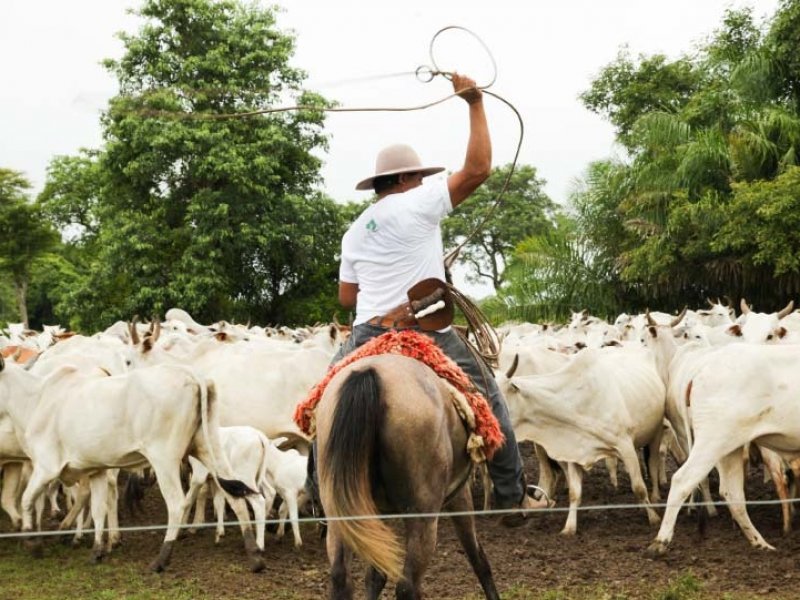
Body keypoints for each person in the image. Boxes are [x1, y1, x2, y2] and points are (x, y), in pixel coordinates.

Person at [332, 73, 549, 525]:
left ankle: (320, 495)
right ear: (408, 178)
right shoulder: (420, 203)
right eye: (420, 176)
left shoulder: (355, 230)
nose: (424, 180)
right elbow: (478, 170)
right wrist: (474, 102)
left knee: (323, 404)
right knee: (489, 399)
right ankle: (511, 495)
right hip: (423, 332)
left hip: (367, 332)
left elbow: (346, 297)